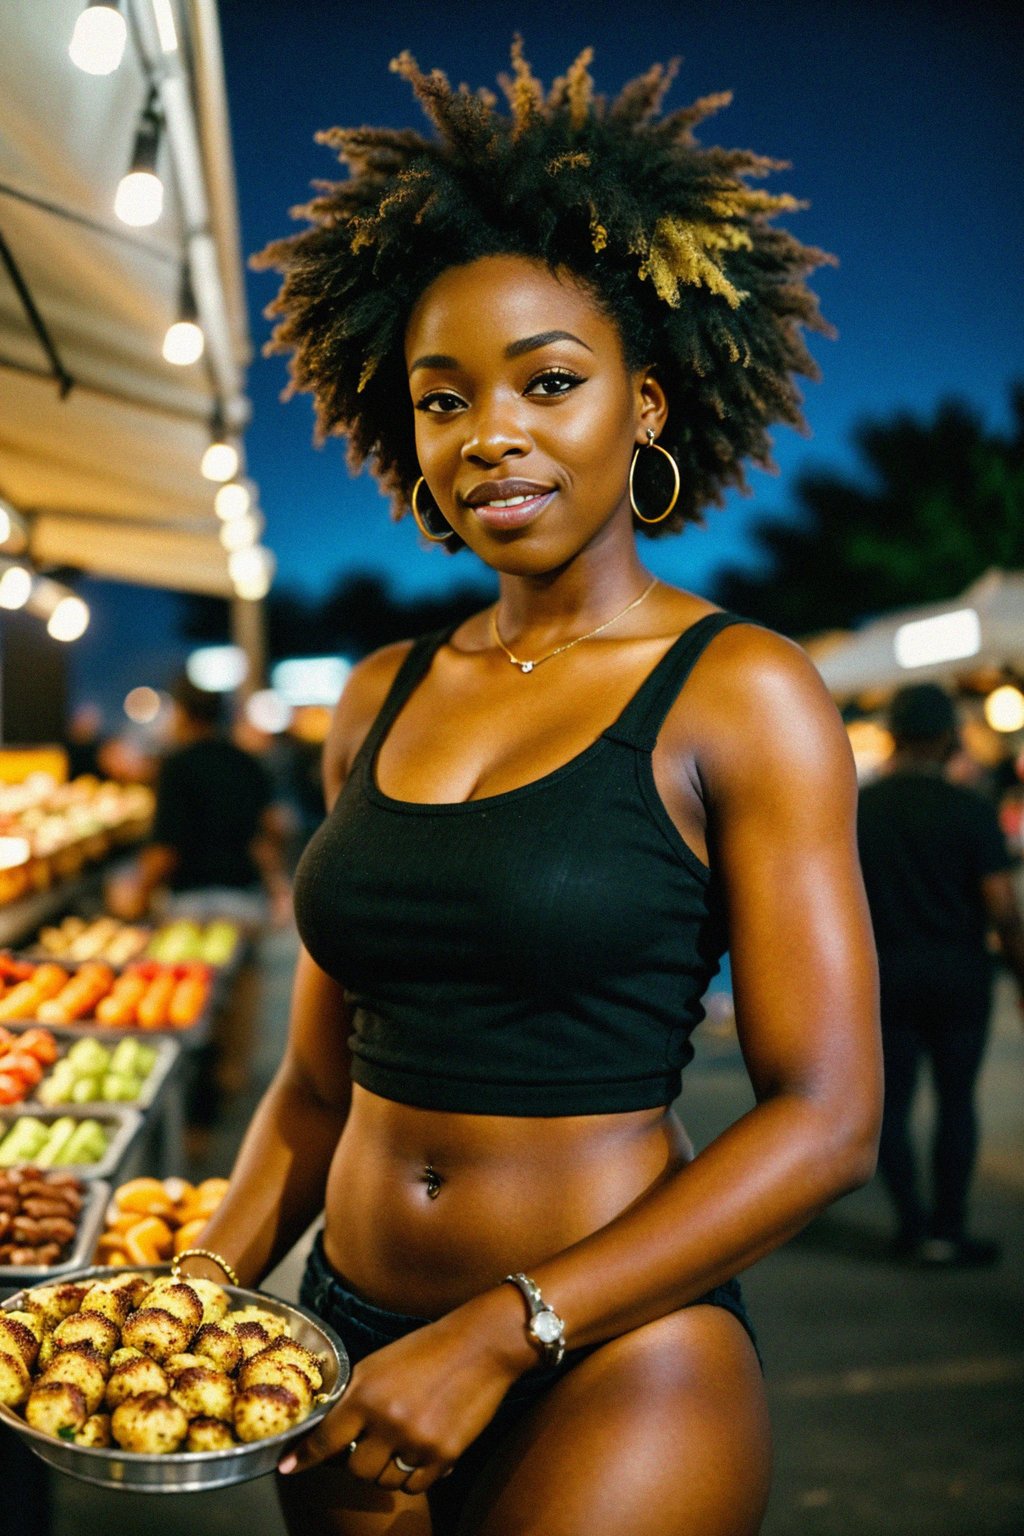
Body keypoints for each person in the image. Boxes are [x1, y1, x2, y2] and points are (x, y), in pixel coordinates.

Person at [182, 44, 881, 1535]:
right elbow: (317, 1084)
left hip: (614, 1356)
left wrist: (507, 1331)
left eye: (549, 383)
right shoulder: (377, 695)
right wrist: (199, 1284)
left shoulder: (742, 690)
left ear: (645, 404)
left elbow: (826, 1119)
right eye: (444, 402)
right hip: (342, 1354)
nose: (488, 432)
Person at [857, 682, 1024, 1267]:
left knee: (892, 1107)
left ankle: (913, 1225)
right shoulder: (972, 811)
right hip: (960, 980)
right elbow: (1003, 905)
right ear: (950, 739)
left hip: (886, 980)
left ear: (893, 736)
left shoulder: (861, 810)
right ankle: (948, 1230)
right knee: (957, 1103)